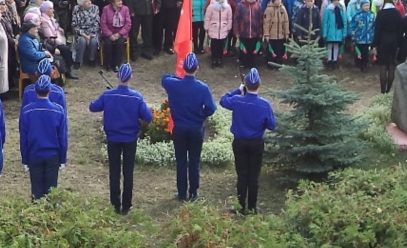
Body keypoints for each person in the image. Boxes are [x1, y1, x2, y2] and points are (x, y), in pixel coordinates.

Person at [89, 64, 152, 215]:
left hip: (113, 138)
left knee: (114, 171)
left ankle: (115, 204)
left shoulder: (108, 95)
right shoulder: (136, 97)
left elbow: (93, 107)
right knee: (128, 171)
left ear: (117, 76)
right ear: (131, 77)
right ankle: (127, 205)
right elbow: (148, 117)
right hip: (130, 139)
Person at [219, 68, 276, 215]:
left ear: (245, 83)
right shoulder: (265, 104)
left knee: (242, 174)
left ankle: (239, 205)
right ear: (259, 84)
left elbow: (223, 100)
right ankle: (252, 207)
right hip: (256, 143)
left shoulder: (237, 100)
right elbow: (272, 125)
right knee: (254, 176)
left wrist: (237, 91)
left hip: (239, 142)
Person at [161, 54, 217, 202]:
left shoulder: (173, 84)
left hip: (179, 128)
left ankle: (181, 193)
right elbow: (211, 108)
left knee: (180, 161)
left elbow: (164, 78)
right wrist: (201, 115)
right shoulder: (203, 88)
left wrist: (178, 76)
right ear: (197, 68)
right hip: (196, 128)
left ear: (183, 68)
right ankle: (193, 192)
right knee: (194, 161)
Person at [19, 75, 68, 201]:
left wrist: (25, 159)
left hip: (34, 155)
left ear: (35, 91)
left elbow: (23, 137)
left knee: (36, 192)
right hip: (53, 156)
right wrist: (63, 159)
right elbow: (62, 138)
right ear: (50, 91)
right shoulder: (58, 111)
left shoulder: (26, 111)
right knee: (51, 193)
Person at [373, 0, 403, 94]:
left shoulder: (381, 13)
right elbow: (400, 29)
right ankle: (388, 90)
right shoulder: (397, 12)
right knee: (391, 65)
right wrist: (399, 43)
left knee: (382, 65)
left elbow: (377, 30)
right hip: (394, 41)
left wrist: (375, 44)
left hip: (383, 41)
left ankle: (382, 92)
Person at [39, 1, 78, 79]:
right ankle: (68, 71)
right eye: (51, 9)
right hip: (51, 43)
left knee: (66, 48)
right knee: (65, 49)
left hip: (56, 40)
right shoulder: (44, 21)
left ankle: (68, 68)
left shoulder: (50, 18)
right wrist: (58, 39)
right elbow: (49, 35)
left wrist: (58, 33)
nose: (53, 10)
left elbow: (56, 29)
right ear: (46, 10)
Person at [100, 0, 132, 73]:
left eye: (121, 0)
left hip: (121, 33)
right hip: (108, 32)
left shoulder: (125, 9)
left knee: (120, 43)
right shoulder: (106, 9)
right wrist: (110, 34)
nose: (120, 2)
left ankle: (117, 64)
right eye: (118, 1)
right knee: (108, 43)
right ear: (113, 2)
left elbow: (128, 24)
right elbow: (103, 24)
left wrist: (119, 34)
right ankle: (108, 64)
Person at [234, 0, 263, 69]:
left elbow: (260, 19)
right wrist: (236, 31)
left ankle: (252, 62)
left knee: (252, 48)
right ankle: (244, 62)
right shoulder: (240, 6)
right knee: (244, 48)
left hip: (254, 32)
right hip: (244, 32)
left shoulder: (257, 6)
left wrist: (261, 31)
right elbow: (236, 19)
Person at [204, 0, 233, 68]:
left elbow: (229, 18)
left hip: (223, 29)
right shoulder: (211, 7)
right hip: (213, 29)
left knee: (220, 45)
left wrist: (228, 27)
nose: (222, 1)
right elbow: (207, 18)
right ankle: (214, 58)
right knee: (214, 45)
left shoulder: (227, 7)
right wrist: (206, 27)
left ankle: (220, 59)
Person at [72, 0, 101, 69]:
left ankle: (92, 59)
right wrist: (84, 35)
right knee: (82, 41)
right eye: (87, 1)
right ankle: (78, 61)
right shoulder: (76, 9)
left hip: (93, 32)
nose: (90, 2)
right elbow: (75, 25)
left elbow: (97, 23)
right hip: (81, 32)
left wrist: (90, 35)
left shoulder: (95, 8)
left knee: (93, 41)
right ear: (82, 4)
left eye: (89, 0)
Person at [322, 0, 349, 70]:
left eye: (338, 0)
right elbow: (325, 22)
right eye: (335, 0)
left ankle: (335, 60)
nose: (336, 2)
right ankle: (329, 60)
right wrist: (324, 33)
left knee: (336, 46)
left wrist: (344, 33)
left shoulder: (341, 9)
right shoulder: (328, 9)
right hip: (330, 32)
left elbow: (344, 21)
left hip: (338, 32)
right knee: (330, 46)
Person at [262, 0, 289, 68]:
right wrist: (266, 34)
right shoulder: (268, 9)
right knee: (271, 50)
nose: (279, 1)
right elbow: (266, 22)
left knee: (280, 49)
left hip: (281, 34)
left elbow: (286, 21)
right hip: (272, 35)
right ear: (273, 0)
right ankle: (270, 64)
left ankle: (279, 63)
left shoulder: (283, 9)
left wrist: (286, 32)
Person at [350, 0, 375, 72]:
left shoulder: (371, 15)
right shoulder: (357, 15)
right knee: (359, 51)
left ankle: (365, 65)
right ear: (361, 6)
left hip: (368, 38)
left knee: (365, 52)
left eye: (368, 5)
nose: (367, 7)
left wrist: (373, 35)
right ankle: (358, 63)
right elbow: (353, 26)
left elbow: (374, 26)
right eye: (365, 5)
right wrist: (352, 35)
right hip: (359, 37)